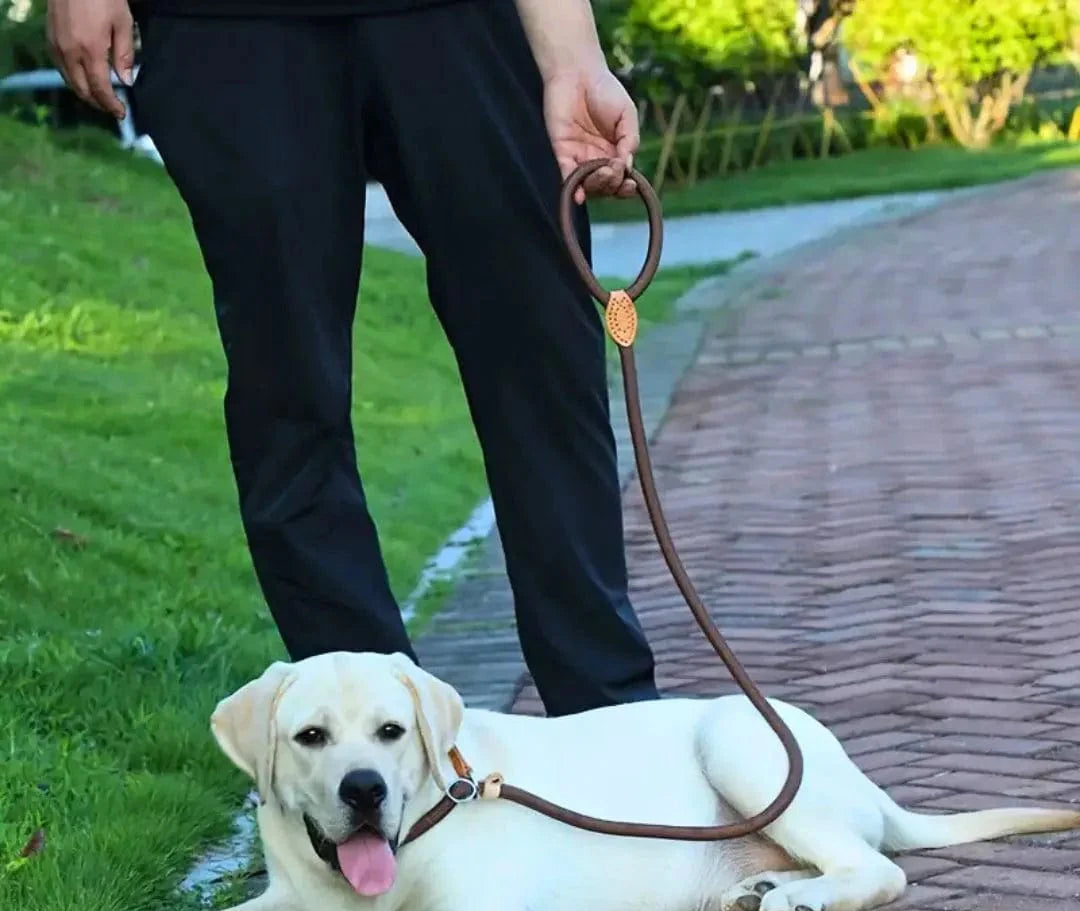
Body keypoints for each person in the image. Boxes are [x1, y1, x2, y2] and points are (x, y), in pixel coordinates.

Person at [46, 0, 659, 717]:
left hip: (461, 21)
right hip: (228, 28)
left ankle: (611, 721)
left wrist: (574, 55)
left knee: (543, 353)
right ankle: (373, 747)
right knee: (287, 387)